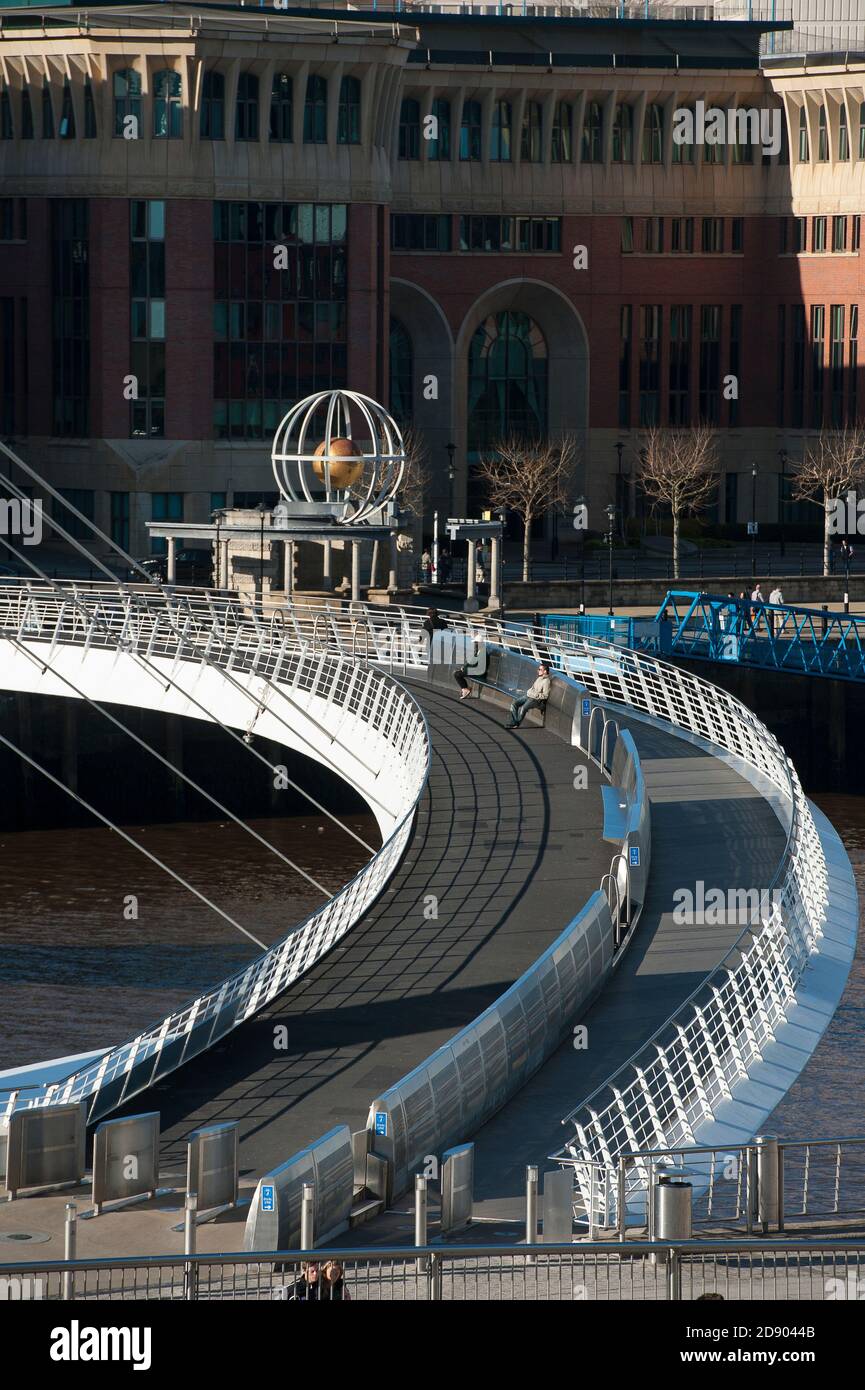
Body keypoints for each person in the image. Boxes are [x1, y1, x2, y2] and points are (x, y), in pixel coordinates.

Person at [505, 662, 551, 730]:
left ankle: (516, 724)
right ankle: (514, 722)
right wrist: (530, 692)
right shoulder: (539, 678)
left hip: (536, 700)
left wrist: (535, 694)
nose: (538, 671)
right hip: (529, 696)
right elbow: (532, 688)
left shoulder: (546, 681)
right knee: (514, 704)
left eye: (540, 669)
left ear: (545, 671)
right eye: (538, 669)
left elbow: (545, 695)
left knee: (523, 708)